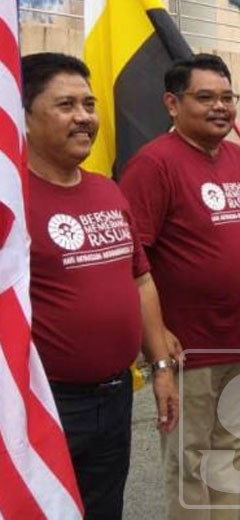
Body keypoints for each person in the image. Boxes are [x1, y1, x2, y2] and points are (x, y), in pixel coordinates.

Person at [119, 53, 240, 519]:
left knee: (228, 460)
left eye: (228, 97)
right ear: (173, 104)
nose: (221, 107)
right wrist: (156, 341)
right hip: (192, 349)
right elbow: (133, 260)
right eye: (205, 97)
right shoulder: (154, 164)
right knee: (191, 468)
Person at [22, 52, 178, 519]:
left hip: (114, 398)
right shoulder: (12, 203)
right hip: (45, 405)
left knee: (105, 509)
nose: (85, 117)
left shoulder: (108, 190)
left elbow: (141, 280)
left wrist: (162, 366)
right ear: (22, 114)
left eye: (89, 104)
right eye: (66, 105)